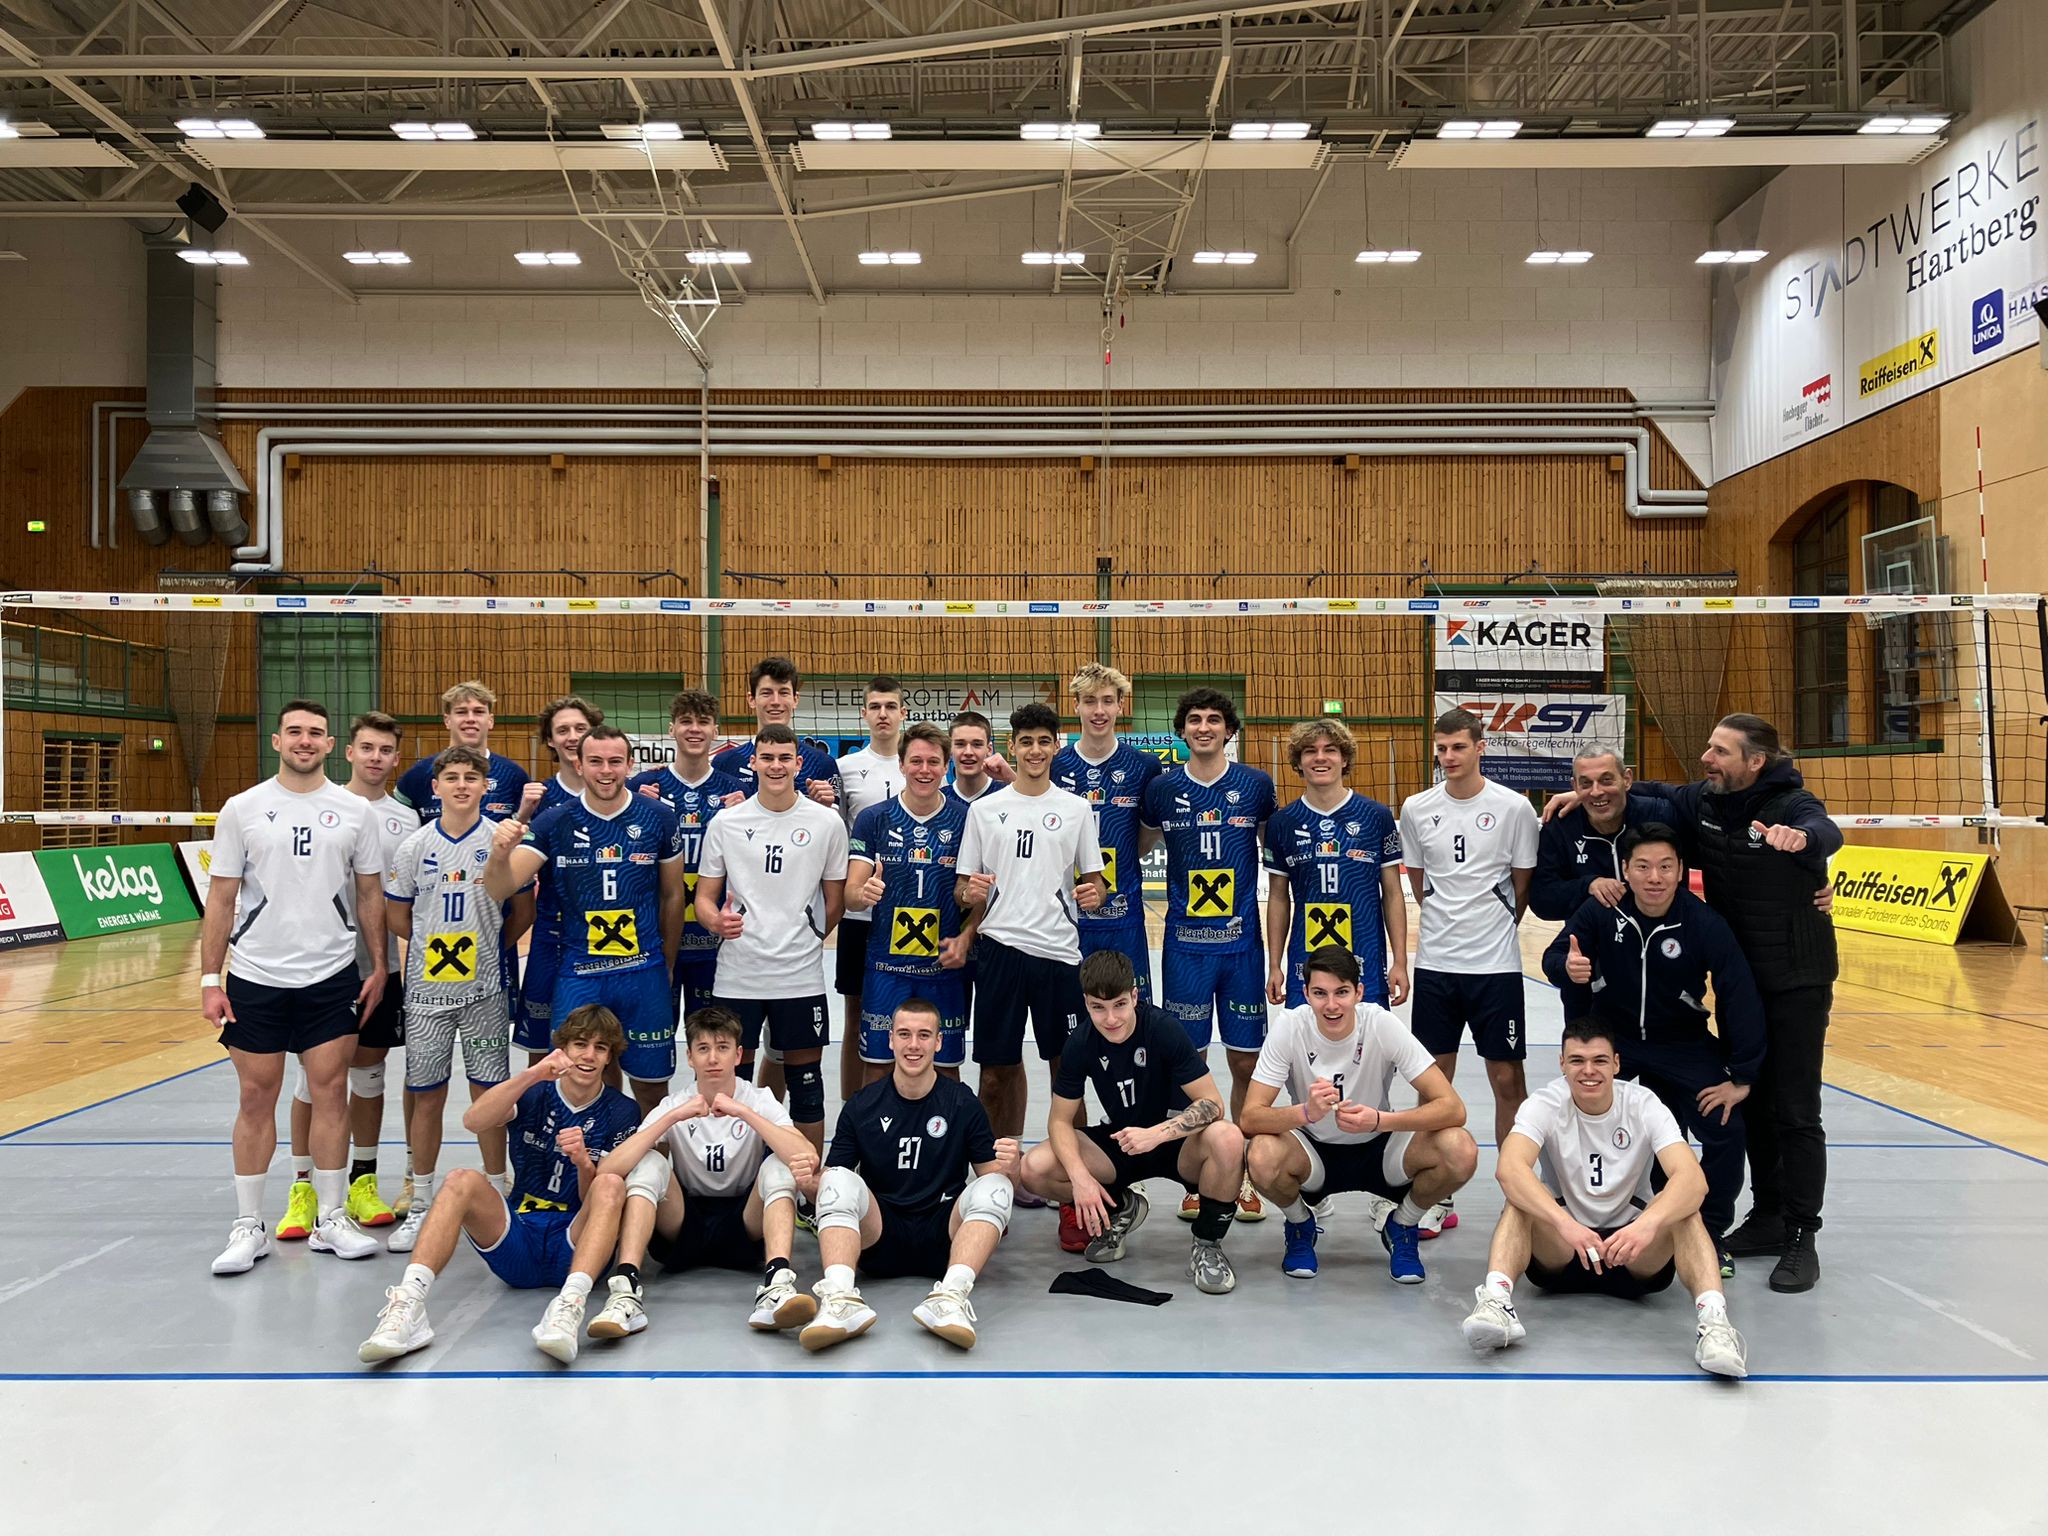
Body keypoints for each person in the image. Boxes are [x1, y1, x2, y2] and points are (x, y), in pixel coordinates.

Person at [1543, 713, 1841, 1292]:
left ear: (1755, 761)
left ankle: (1794, 1231)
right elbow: (1642, 792)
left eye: (1720, 750)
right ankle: (1763, 1216)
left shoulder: (1790, 805)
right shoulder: (1703, 802)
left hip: (1795, 972)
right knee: (1743, 1109)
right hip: (1721, 982)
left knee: (1789, 1109)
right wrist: (1582, 795)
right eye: (1708, 747)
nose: (1707, 757)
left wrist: (1804, 842)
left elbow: (1825, 829)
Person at [202, 700, 391, 1275]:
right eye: (295, 733)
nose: (305, 741)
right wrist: (212, 978)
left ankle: (331, 1218)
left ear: (331, 745)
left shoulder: (355, 812)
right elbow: (222, 897)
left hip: (331, 974)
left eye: (315, 733)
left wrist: (378, 966)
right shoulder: (243, 809)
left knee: (331, 1091)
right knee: (255, 1098)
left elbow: (369, 896)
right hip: (257, 976)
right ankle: (249, 1225)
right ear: (277, 740)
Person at [1459, 1018, 1749, 1380]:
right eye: (1577, 1060)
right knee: (1520, 1199)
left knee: (1683, 1208)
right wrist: (1565, 1224)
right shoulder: (1546, 1102)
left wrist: (1646, 1226)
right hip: (1563, 1250)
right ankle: (1496, 1303)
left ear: (1616, 1063)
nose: (1588, 1071)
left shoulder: (1643, 1103)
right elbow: (1509, 1169)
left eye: (1598, 1060)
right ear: (1562, 1064)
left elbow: (1692, 1179)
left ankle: (1715, 1326)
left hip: (1633, 1251)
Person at [356, 1006, 640, 1366]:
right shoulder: (535, 1094)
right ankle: (409, 1304)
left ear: (610, 1056)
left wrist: (584, 1163)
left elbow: (596, 1199)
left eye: (600, 1048)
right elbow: (475, 1120)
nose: (588, 1055)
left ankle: (569, 1307)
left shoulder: (622, 1111)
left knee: (611, 1184)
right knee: (461, 1179)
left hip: (575, 1241)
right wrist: (533, 1074)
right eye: (580, 1044)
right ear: (562, 1049)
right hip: (519, 1235)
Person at [1541, 823, 1765, 1270]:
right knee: (1574, 1115)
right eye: (1642, 867)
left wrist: (1742, 1075)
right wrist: (1568, 967)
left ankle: (1708, 1230)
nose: (1654, 877)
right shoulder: (1603, 909)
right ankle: (1577, 1215)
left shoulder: (1703, 923)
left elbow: (1738, 993)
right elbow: (1554, 956)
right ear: (1625, 869)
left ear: (1682, 870)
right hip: (1613, 1040)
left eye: (1665, 866)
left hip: (1681, 1041)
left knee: (1725, 1125)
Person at [1240, 946, 1477, 1285]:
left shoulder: (1380, 1023)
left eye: (1342, 992)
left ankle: (1403, 1224)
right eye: (1320, 993)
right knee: (1261, 1153)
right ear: (1305, 993)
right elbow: (1250, 1118)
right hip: (1313, 1153)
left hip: (1379, 1148)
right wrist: (1306, 1112)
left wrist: (1380, 1121)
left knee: (1460, 1149)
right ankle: (1299, 1224)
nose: (1332, 1005)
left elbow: (1453, 1108)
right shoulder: (1290, 1026)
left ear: (1359, 992)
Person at [484, 724, 688, 1113]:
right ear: (579, 764)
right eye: (595, 761)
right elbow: (499, 887)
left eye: (615, 761)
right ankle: (596, 1169)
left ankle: (652, 1173)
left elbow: (672, 895)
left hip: (643, 973)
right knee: (581, 1085)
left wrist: (669, 961)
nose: (606, 770)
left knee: (650, 1091)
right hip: (580, 975)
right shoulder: (554, 822)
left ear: (631, 764)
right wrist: (498, 853)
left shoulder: (659, 818)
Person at [1018, 950, 1248, 1293]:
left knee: (1228, 1138)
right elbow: (1059, 1122)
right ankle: (1123, 1207)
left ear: (1135, 997)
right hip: (1122, 1142)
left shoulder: (1163, 1028)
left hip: (1175, 1144)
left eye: (1120, 1005)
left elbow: (1213, 1105)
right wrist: (1080, 1180)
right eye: (1098, 1007)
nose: (1111, 1018)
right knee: (1033, 1167)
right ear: (1086, 1003)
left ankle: (1207, 1245)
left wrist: (1157, 1134)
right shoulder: (1080, 1042)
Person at [800, 1000, 1021, 1353]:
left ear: (938, 1042)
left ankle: (950, 1297)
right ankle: (840, 1301)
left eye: (923, 1035)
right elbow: (831, 1182)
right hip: (881, 1233)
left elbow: (994, 1181)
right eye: (904, 1035)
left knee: (997, 1187)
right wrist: (811, 1183)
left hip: (943, 1236)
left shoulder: (962, 1103)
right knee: (836, 1177)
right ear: (890, 1041)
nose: (913, 1045)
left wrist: (1013, 1169)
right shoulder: (862, 1104)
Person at [588, 1005, 820, 1339]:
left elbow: (806, 1156)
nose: (713, 1058)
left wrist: (743, 1112)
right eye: (703, 1049)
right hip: (683, 1224)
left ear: (738, 1055)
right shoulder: (674, 1105)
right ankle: (625, 1290)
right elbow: (608, 1170)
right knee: (649, 1163)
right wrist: (672, 1119)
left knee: (780, 1164)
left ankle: (777, 1284)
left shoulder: (757, 1098)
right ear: (690, 1057)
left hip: (744, 1222)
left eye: (722, 1048)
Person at [382, 746, 533, 1253]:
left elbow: (522, 911)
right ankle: (420, 1199)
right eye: (452, 777)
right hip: (426, 992)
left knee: (489, 1095)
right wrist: (429, 949)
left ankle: (496, 1187)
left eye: (472, 777)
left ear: (487, 787)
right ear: (436, 787)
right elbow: (398, 916)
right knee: (426, 1094)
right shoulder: (413, 846)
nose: (463, 785)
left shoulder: (502, 841)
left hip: (485, 991)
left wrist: (490, 949)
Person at [1398, 707, 1538, 1231]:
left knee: (1508, 1079)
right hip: (1436, 965)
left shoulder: (1514, 808)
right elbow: (1418, 880)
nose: (1449, 757)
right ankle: (1435, 1194)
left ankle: (1518, 1194)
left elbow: (1521, 885)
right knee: (1434, 1084)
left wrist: (1490, 927)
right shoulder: (1416, 807)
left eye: (1458, 747)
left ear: (1481, 747)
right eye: (1441, 748)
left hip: (1495, 968)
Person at [279, 710, 417, 1238]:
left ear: (395, 759)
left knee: (370, 1072)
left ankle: (361, 1180)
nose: (376, 757)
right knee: (313, 1081)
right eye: (367, 748)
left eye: (385, 750)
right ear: (350, 752)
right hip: (318, 966)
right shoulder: (320, 806)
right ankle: (303, 1186)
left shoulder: (406, 821)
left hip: (381, 964)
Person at [1139, 686, 1276, 1219]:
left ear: (1229, 729)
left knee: (1246, 1061)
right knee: (1186, 1061)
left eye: (1213, 719)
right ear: (1182, 729)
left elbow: (1279, 849)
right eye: (1193, 719)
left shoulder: (1256, 786)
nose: (1203, 727)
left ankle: (1239, 1170)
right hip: (1184, 950)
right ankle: (1197, 1174)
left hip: (1242, 948)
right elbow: (1139, 845)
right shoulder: (1163, 788)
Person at [955, 702, 1106, 1151]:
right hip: (1000, 952)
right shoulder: (985, 811)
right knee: (995, 1074)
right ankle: (995, 1175)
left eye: (1044, 741)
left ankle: (1073, 1177)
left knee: (1067, 1071)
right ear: (1012, 747)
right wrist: (970, 894)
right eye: (1026, 742)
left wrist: (1095, 894)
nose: (1035, 750)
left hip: (1059, 956)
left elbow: (1095, 881)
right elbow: (963, 886)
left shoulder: (1077, 809)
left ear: (1056, 746)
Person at [694, 723, 850, 1152]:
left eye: (785, 758)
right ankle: (737, 1177)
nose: (776, 766)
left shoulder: (826, 823)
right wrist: (714, 923)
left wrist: (809, 936)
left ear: (799, 764)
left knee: (806, 1086)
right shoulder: (727, 822)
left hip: (798, 976)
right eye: (768, 757)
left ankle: (806, 1185)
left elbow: (834, 900)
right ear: (753, 762)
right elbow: (704, 898)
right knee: (730, 1083)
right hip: (737, 975)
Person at [846, 722, 974, 1088]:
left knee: (947, 1070)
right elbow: (852, 892)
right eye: (916, 761)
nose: (924, 770)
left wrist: (966, 937)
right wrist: (864, 892)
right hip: (886, 966)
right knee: (877, 1065)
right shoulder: (874, 819)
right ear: (901, 765)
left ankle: (946, 1144)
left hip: (942, 970)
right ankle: (874, 1144)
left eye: (933, 762)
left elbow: (977, 895)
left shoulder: (965, 819)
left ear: (946, 765)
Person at [1263, 716, 1407, 1010]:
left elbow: (1392, 893)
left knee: (1368, 1051)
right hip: (1306, 961)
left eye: (1330, 750)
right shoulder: (1282, 822)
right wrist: (1275, 965)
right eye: (1309, 751)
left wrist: (1400, 962)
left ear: (1344, 760)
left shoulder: (1376, 817)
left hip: (1365, 957)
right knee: (1306, 1051)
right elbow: (1278, 897)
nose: (1320, 758)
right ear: (1298, 762)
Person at [629, 687, 746, 1031]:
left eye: (703, 722)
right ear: (671, 729)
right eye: (686, 721)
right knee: (651, 1040)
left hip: (714, 941)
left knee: (712, 1042)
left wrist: (746, 816)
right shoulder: (643, 787)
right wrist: (634, 805)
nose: (694, 729)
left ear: (716, 732)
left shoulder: (736, 791)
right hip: (658, 936)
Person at [1051, 664, 1165, 1002]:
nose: (1098, 711)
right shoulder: (1057, 765)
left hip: (1124, 915)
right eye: (1089, 701)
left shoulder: (1144, 766)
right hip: (1068, 917)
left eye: (1107, 701)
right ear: (1075, 706)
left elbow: (1145, 840)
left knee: (1130, 1011)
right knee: (1071, 1021)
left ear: (1120, 706)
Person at [515, 695, 605, 1068]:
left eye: (580, 729)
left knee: (602, 1045)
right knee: (544, 1047)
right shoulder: (540, 798)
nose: (571, 737)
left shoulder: (614, 790)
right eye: (562, 730)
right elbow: (512, 870)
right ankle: (540, 1123)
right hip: (552, 938)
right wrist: (522, 816)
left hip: (604, 941)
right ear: (549, 740)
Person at [835, 676, 908, 1104]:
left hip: (915, 914)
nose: (883, 713)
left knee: (911, 1017)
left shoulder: (920, 764)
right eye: (875, 706)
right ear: (864, 714)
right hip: (861, 916)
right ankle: (852, 1118)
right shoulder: (845, 769)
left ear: (903, 714)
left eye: (890, 706)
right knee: (856, 1016)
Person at [712, 656, 842, 806]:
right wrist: (731, 812)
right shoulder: (725, 763)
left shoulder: (821, 763)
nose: (775, 702)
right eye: (766, 693)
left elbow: (833, 823)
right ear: (751, 699)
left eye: (784, 693)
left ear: (795, 699)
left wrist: (824, 807)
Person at [393, 679, 528, 822]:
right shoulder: (418, 775)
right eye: (461, 712)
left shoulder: (514, 776)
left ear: (490, 720)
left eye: (479, 712)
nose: (470, 719)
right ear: (447, 720)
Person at [944, 710, 1008, 810]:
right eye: (960, 744)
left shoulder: (1006, 796)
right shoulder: (939, 799)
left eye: (977, 744)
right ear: (950, 749)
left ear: (989, 749)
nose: (968, 752)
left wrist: (1012, 778)